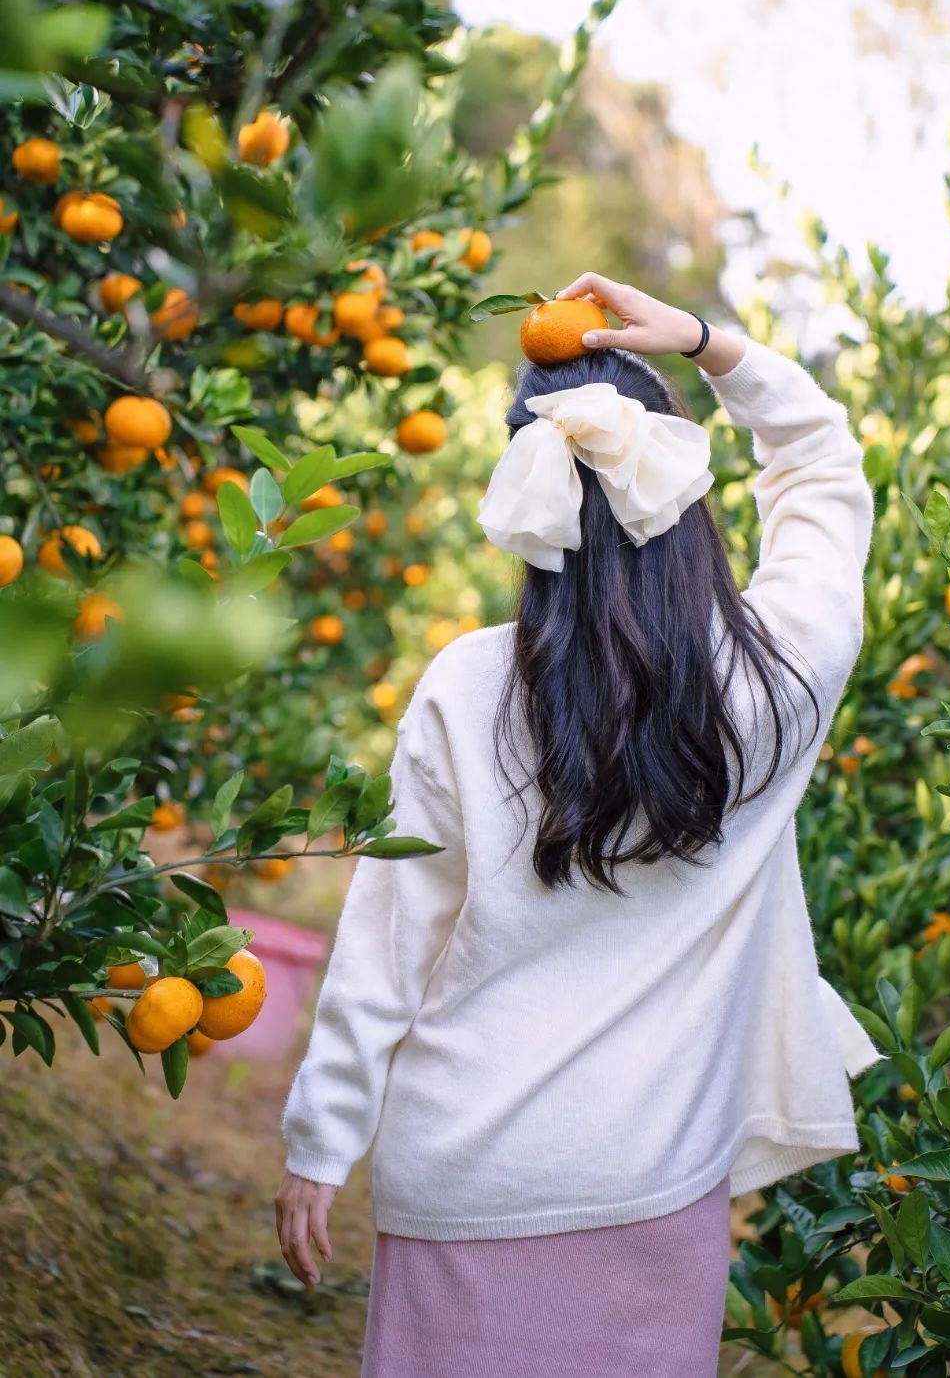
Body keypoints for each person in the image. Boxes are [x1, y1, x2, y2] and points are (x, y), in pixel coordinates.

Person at [275, 271, 882, 1378]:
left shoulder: (466, 686)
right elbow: (823, 467)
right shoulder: (773, 677)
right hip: (654, 1175)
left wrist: (324, 1140)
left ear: (528, 498)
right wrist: (708, 344)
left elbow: (389, 934)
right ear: (684, 489)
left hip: (466, 1171)